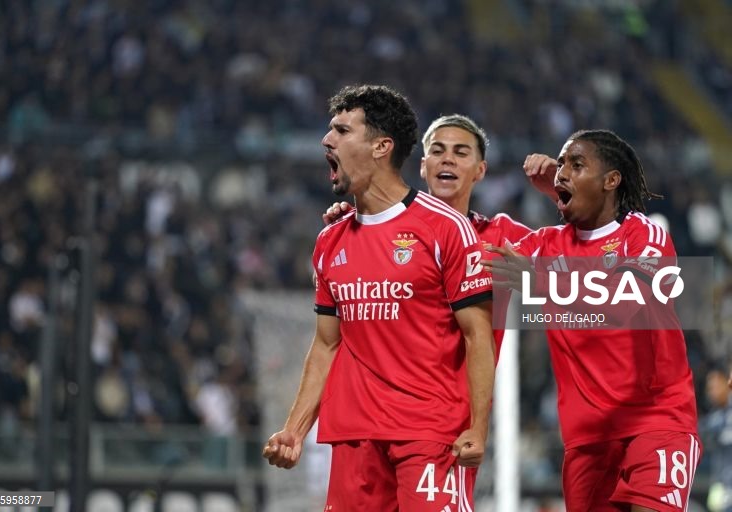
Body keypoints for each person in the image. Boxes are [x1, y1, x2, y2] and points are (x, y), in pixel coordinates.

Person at [262, 85, 496, 510]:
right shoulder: (329, 241)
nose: (326, 140)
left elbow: (477, 335)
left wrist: (479, 428)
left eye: (341, 130)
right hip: (353, 437)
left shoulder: (445, 228)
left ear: (380, 147)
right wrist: (294, 430)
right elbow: (326, 344)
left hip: (429, 434)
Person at [486, 129, 701, 511]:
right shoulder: (544, 245)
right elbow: (467, 253)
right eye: (562, 164)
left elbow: (628, 295)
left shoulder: (643, 234)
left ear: (611, 180)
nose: (562, 171)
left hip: (656, 424)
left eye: (577, 164)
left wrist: (541, 281)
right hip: (587, 442)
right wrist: (355, 219)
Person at [325, 113, 532, 360]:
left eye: (461, 153)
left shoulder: (500, 236)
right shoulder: (384, 232)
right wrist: (355, 228)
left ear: (480, 170)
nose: (447, 160)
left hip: (466, 396)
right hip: (390, 393)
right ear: (424, 166)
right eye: (437, 151)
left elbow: (583, 286)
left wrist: (558, 193)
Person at [703, 363, 732, 512]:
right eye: (709, 388)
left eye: (714, 386)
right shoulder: (715, 418)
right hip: (722, 489)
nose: (711, 392)